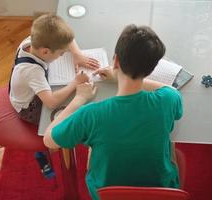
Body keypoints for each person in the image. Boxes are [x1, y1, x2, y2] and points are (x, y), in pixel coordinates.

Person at [43, 24, 183, 199]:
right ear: (152, 69)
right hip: (161, 192)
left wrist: (78, 100)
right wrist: (120, 76)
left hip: (108, 194)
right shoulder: (168, 99)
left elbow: (50, 140)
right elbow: (171, 90)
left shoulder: (91, 114)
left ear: (116, 60)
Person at [9, 13, 99, 179]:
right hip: (29, 108)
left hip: (30, 89)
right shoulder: (32, 71)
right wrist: (74, 83)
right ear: (45, 51)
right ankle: (44, 150)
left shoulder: (32, 40)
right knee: (66, 114)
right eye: (61, 54)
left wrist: (77, 54)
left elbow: (66, 39)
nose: (63, 55)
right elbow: (50, 103)